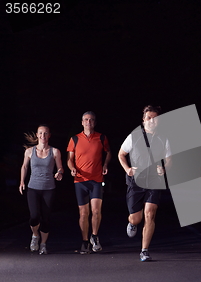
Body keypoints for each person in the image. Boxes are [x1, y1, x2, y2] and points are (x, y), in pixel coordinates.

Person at [118, 105, 172, 262]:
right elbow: (121, 154)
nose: (151, 121)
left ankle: (144, 250)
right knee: (136, 218)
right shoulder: (134, 136)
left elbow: (169, 159)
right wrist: (127, 168)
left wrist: (164, 168)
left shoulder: (164, 138)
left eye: (155, 118)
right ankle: (132, 223)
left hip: (154, 180)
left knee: (150, 213)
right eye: (149, 118)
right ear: (143, 120)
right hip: (136, 181)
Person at [67, 111, 111, 254]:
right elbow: (69, 159)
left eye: (91, 120)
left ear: (95, 122)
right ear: (82, 122)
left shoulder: (101, 137)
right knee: (83, 213)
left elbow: (109, 152)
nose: (88, 122)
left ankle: (95, 236)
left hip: (97, 179)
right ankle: (85, 241)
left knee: (96, 211)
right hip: (80, 180)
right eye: (86, 120)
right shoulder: (75, 139)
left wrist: (105, 165)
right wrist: (72, 168)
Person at [19, 125, 63, 255]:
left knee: (46, 218)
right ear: (37, 135)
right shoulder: (29, 151)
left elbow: (60, 167)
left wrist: (59, 173)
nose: (43, 136)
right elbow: (24, 167)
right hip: (33, 187)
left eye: (45, 134)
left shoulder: (55, 151)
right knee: (34, 217)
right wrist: (22, 181)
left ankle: (43, 244)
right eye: (40, 133)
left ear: (49, 135)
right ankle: (35, 236)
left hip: (49, 188)